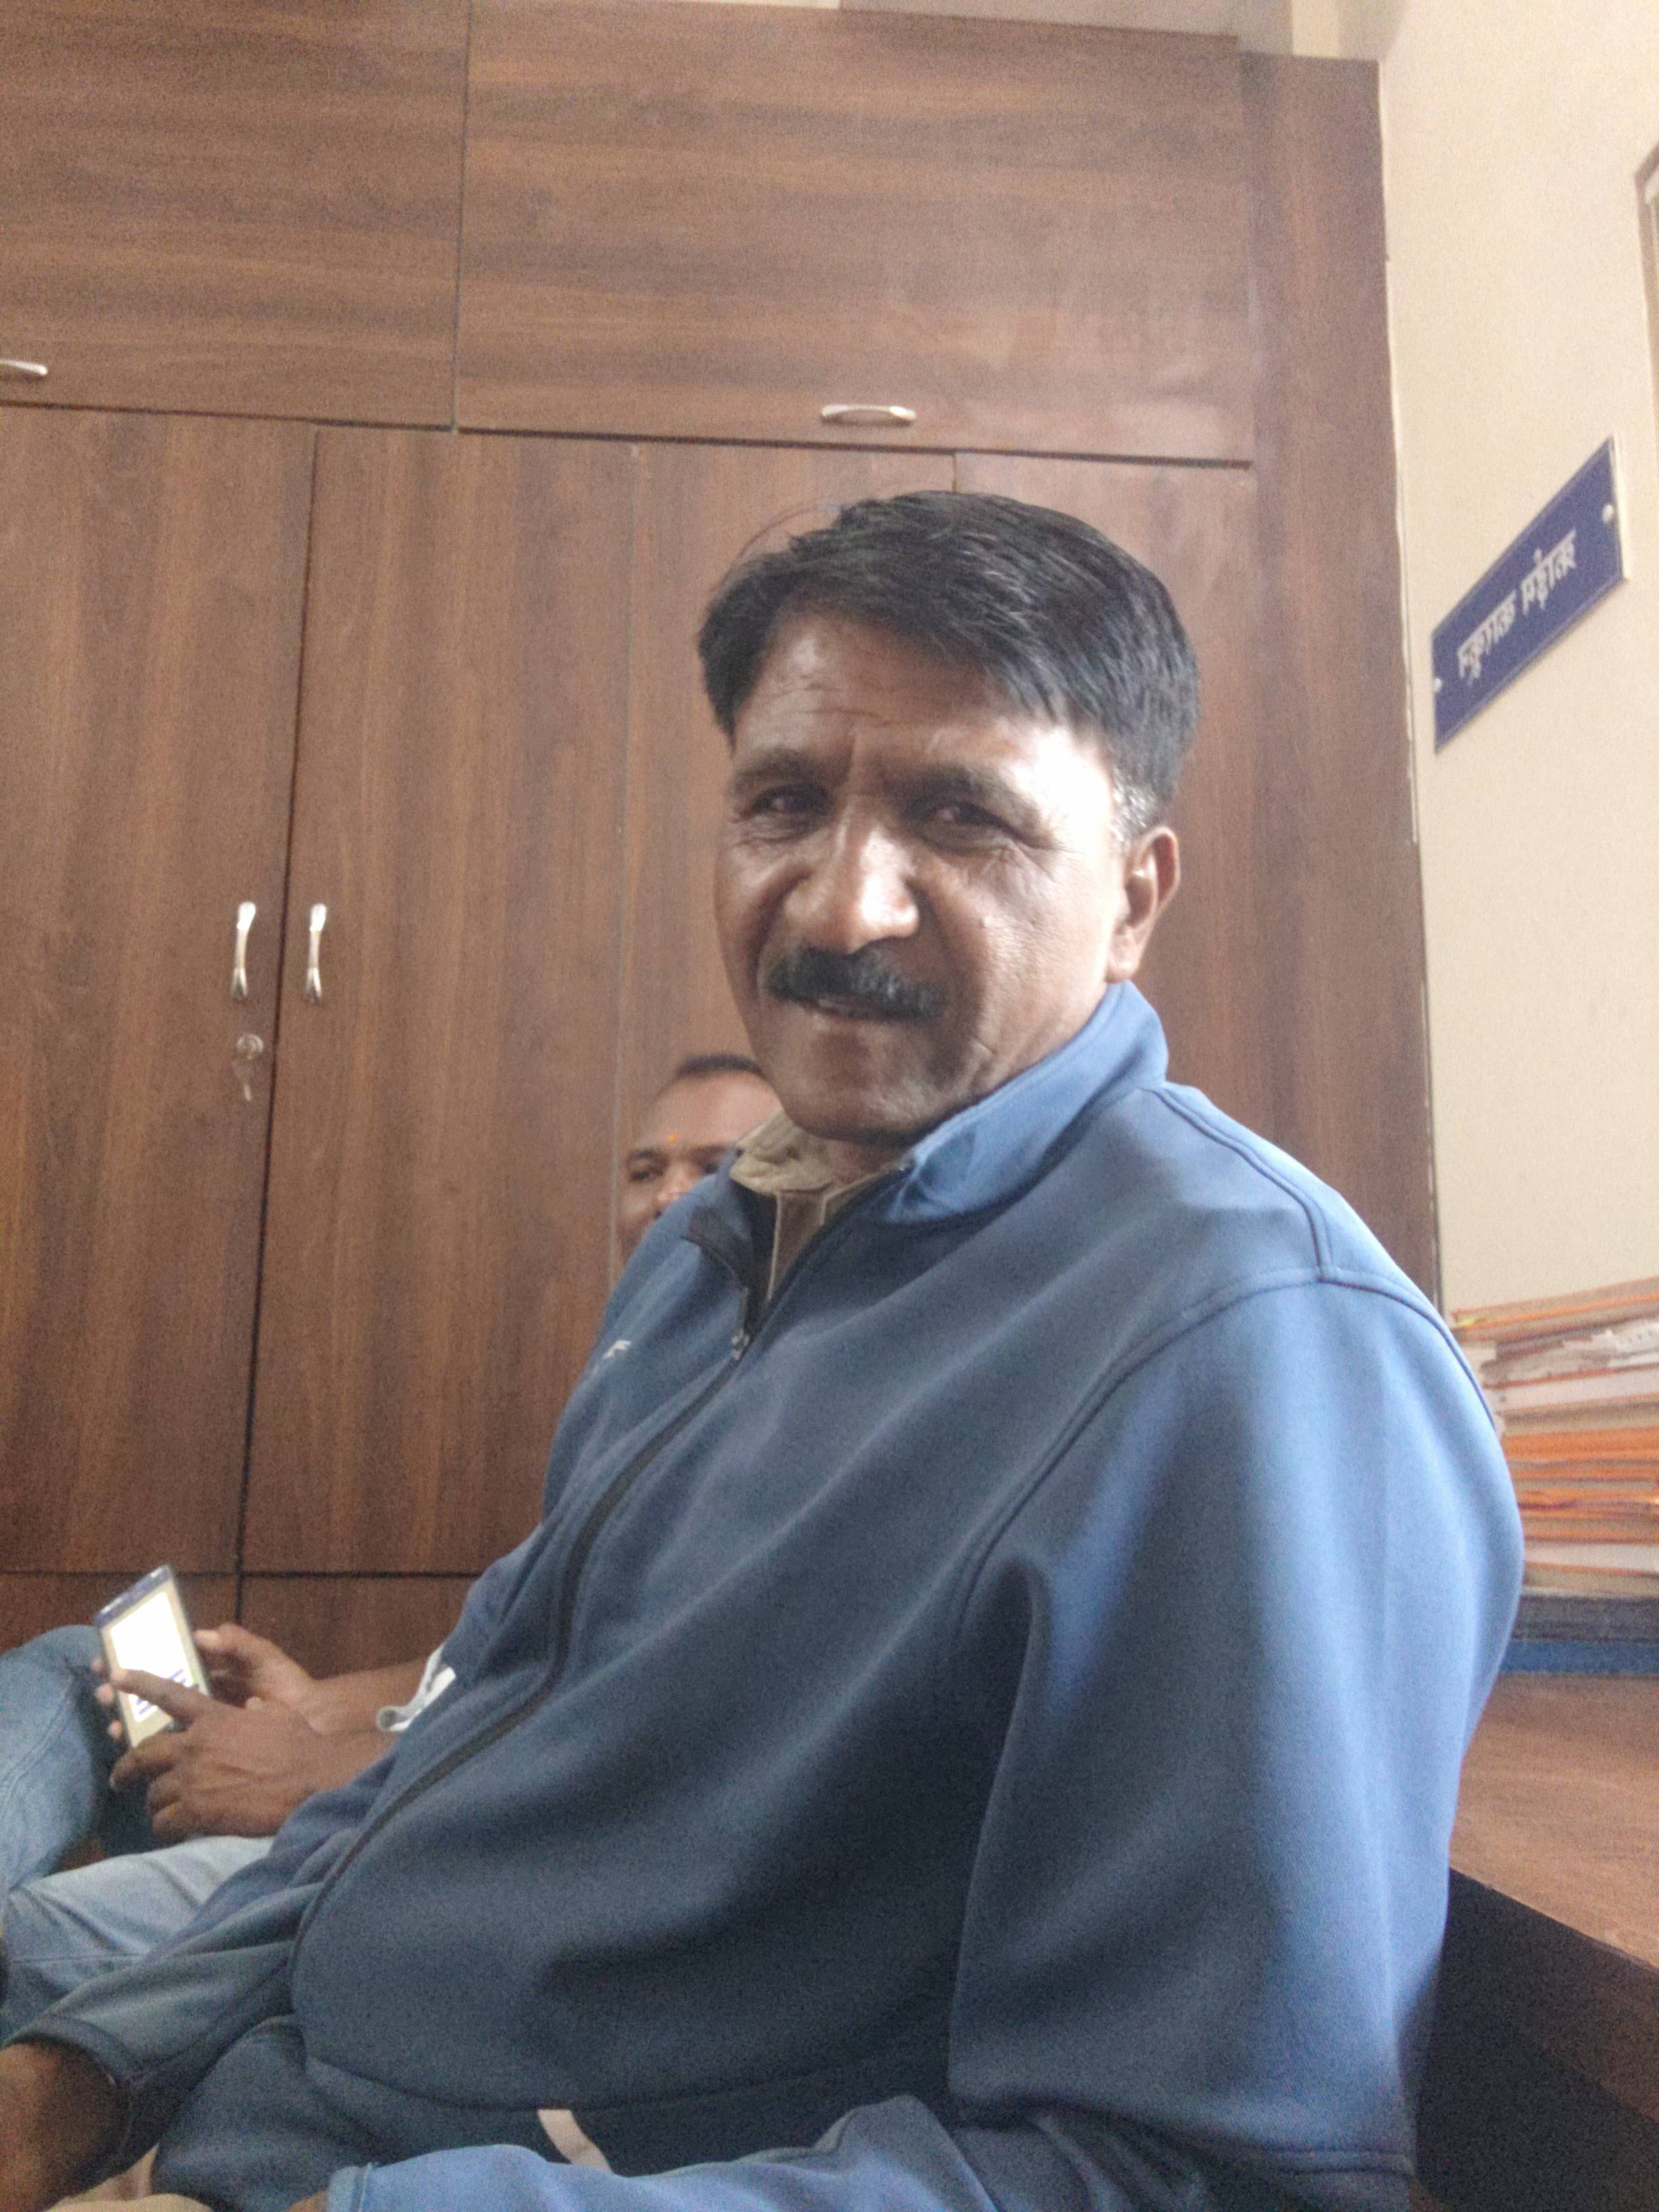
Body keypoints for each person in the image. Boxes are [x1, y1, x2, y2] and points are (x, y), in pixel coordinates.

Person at [0, 491, 1521, 2212]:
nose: (844, 907)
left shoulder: (1254, 1350)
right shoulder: (710, 1256)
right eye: (784, 803)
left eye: (963, 817)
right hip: (241, 2113)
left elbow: (1199, 2179)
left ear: (1132, 899)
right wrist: (85, 2074)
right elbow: (444, 1762)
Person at [0, 1055, 778, 2037]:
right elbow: (500, 1655)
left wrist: (317, 1772)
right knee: (85, 1671)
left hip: (420, 1851)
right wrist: (316, 1707)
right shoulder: (636, 1394)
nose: (668, 1195)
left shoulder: (772, 1426)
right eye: (644, 1169)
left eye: (717, 1166)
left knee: (25, 1941)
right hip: (384, 1777)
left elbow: (620, 1748)